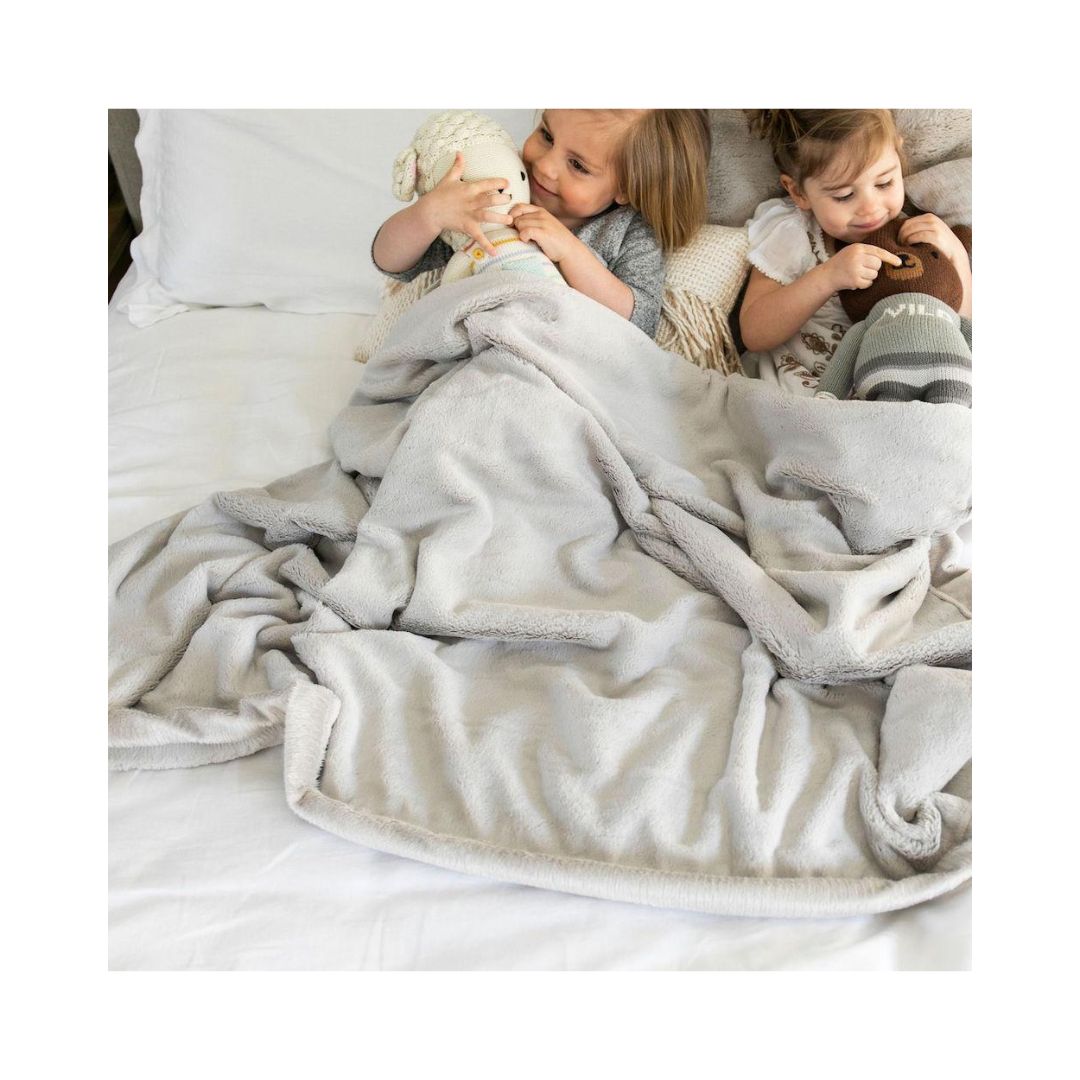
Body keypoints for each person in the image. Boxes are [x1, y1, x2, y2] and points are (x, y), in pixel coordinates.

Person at [372, 110, 711, 338]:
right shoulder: (499, 193)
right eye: (547, 136)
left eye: (577, 165)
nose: (546, 167)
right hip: (475, 346)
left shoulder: (627, 232)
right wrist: (430, 214)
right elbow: (392, 263)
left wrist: (570, 251)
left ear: (627, 188)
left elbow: (640, 321)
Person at [739, 109, 972, 395]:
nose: (870, 208)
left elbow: (960, 331)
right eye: (844, 196)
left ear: (898, 155)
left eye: (884, 183)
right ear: (798, 192)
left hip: (891, 392)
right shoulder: (793, 232)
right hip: (801, 390)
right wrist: (827, 277)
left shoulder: (918, 234)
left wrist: (956, 255)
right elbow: (754, 333)